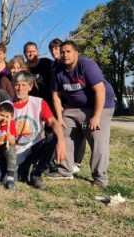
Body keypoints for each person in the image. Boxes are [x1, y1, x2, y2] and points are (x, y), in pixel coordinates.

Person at [0, 71, 66, 190]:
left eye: (23, 85)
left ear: (30, 86)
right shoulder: (5, 106)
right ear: (12, 85)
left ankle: (37, 174)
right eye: (17, 84)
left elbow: (53, 122)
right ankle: (22, 170)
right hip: (14, 150)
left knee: (53, 137)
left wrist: (61, 141)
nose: (20, 88)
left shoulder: (39, 103)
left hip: (35, 145)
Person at [49, 40, 115, 188]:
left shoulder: (87, 65)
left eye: (68, 51)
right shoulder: (58, 69)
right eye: (62, 52)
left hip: (100, 105)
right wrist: (59, 118)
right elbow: (56, 95)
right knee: (63, 131)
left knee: (97, 140)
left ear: (76, 53)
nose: (65, 54)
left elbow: (100, 90)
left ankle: (100, 178)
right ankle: (65, 170)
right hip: (73, 107)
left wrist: (96, 117)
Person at [48, 38, 84, 174]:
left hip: (74, 103)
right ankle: (65, 162)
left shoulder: (75, 64)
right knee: (64, 133)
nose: (54, 51)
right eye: (52, 49)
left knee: (79, 134)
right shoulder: (53, 66)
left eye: (57, 48)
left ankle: (77, 163)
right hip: (60, 103)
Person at [23, 42, 54, 106]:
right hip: (31, 104)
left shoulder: (47, 62)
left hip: (50, 102)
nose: (31, 54)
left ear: (37, 52)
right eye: (28, 52)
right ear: (24, 53)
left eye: (33, 51)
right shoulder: (22, 68)